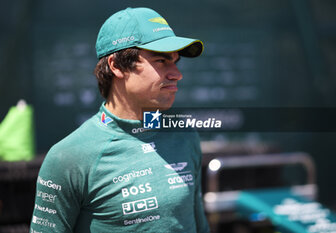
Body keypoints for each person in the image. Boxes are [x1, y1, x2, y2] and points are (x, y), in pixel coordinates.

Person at [30, 7, 210, 233]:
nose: (176, 73)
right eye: (161, 60)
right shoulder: (68, 157)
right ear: (116, 65)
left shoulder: (185, 136)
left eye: (176, 61)